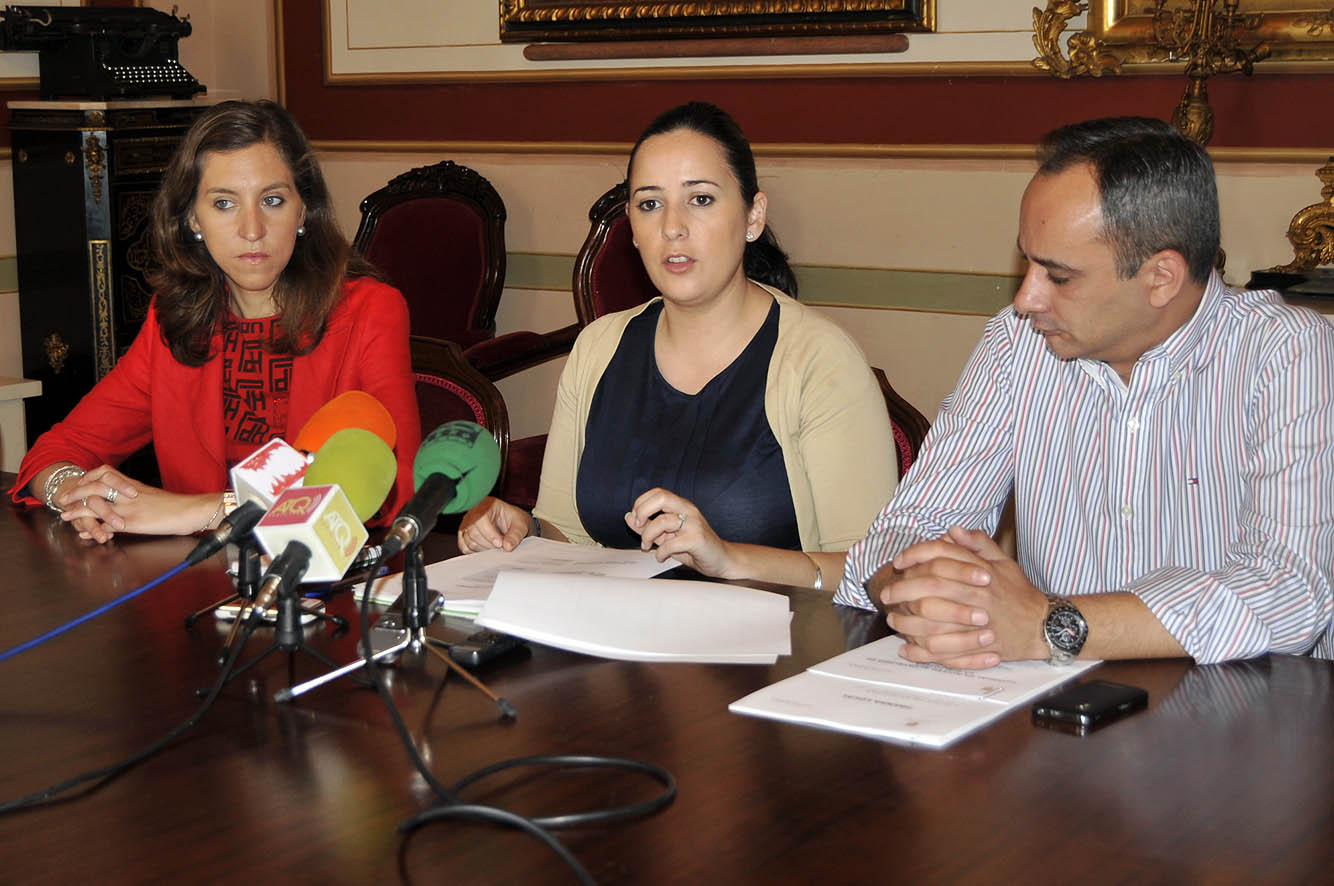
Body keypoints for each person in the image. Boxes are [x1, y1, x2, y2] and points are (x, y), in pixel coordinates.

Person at [838, 116, 1334, 667]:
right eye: (1026, 261)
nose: (1026, 298)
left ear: (1161, 278)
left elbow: (1289, 589)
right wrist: (928, 586)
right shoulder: (1016, 343)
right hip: (1050, 708)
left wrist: (1051, 624)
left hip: (1235, 713)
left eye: (1059, 276)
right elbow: (912, 523)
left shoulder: (1287, 353)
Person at [459, 101, 896, 589]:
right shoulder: (598, 349)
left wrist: (728, 558)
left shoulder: (820, 360)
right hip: (610, 646)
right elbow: (575, 538)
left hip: (772, 654)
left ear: (753, 216)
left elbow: (874, 573)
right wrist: (527, 530)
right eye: (650, 204)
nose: (672, 227)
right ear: (634, 231)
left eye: (701, 199)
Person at [10, 100, 420, 543]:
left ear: (303, 212)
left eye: (273, 200)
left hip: (321, 585)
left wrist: (208, 511)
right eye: (224, 203)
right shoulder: (175, 318)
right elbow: (55, 450)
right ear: (192, 219)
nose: (251, 229)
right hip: (199, 585)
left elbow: (395, 492)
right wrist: (74, 490)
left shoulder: (369, 312)